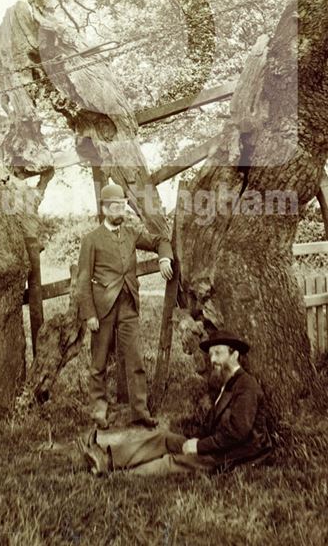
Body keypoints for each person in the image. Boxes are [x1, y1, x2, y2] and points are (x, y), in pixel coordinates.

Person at [76, 330, 271, 477]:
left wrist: (199, 446)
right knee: (164, 438)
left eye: (218, 353)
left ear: (235, 355)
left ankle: (122, 476)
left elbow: (238, 433)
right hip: (219, 447)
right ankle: (108, 459)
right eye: (211, 354)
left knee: (173, 461)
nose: (212, 360)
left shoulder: (246, 386)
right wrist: (192, 441)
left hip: (236, 455)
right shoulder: (225, 383)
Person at [76, 180, 173, 429]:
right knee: (98, 363)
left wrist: (164, 258)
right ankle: (99, 411)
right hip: (103, 309)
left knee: (135, 359)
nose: (121, 211)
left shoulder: (131, 234)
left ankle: (139, 412)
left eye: (123, 206)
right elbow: (83, 280)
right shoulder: (92, 239)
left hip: (129, 305)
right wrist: (89, 314)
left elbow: (160, 239)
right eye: (116, 207)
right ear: (106, 209)